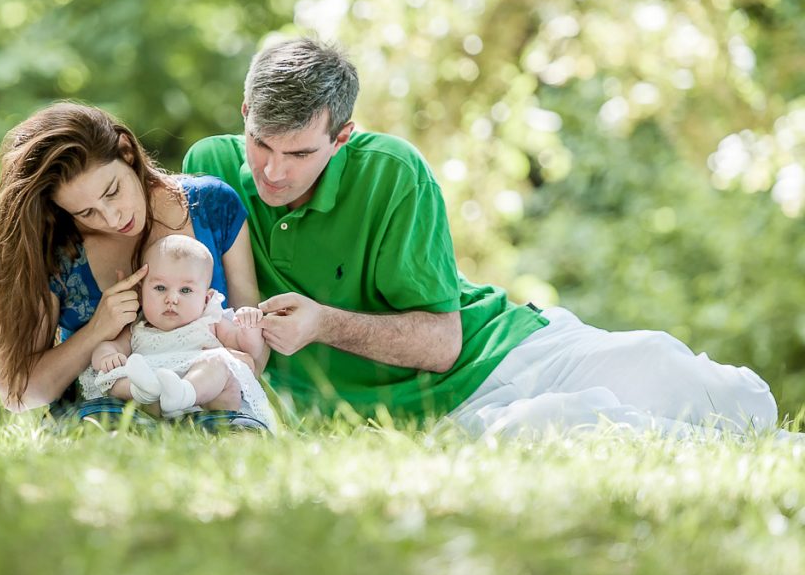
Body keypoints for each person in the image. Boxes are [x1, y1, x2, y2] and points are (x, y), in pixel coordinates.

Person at [183, 36, 780, 437]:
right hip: (439, 420)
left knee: (732, 401)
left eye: (299, 152)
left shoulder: (391, 171)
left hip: (497, 352)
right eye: (261, 144)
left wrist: (322, 323)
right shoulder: (209, 173)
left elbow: (443, 341)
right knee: (591, 429)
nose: (274, 171)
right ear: (243, 115)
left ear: (341, 139)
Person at [0, 102, 270, 431]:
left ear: (126, 152)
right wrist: (99, 328)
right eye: (86, 213)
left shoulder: (213, 206)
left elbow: (249, 330)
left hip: (213, 408)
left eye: (112, 192)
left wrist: (239, 362)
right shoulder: (57, 251)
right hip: (102, 417)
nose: (113, 219)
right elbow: (18, 393)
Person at [80, 234, 278, 430]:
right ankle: (142, 391)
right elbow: (109, 346)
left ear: (206, 299)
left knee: (219, 363)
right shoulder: (136, 327)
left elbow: (247, 349)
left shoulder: (210, 321)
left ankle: (185, 393)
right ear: (141, 293)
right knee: (115, 376)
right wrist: (107, 356)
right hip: (152, 393)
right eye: (160, 288)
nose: (172, 299)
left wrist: (249, 327)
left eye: (185, 290)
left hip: (209, 409)